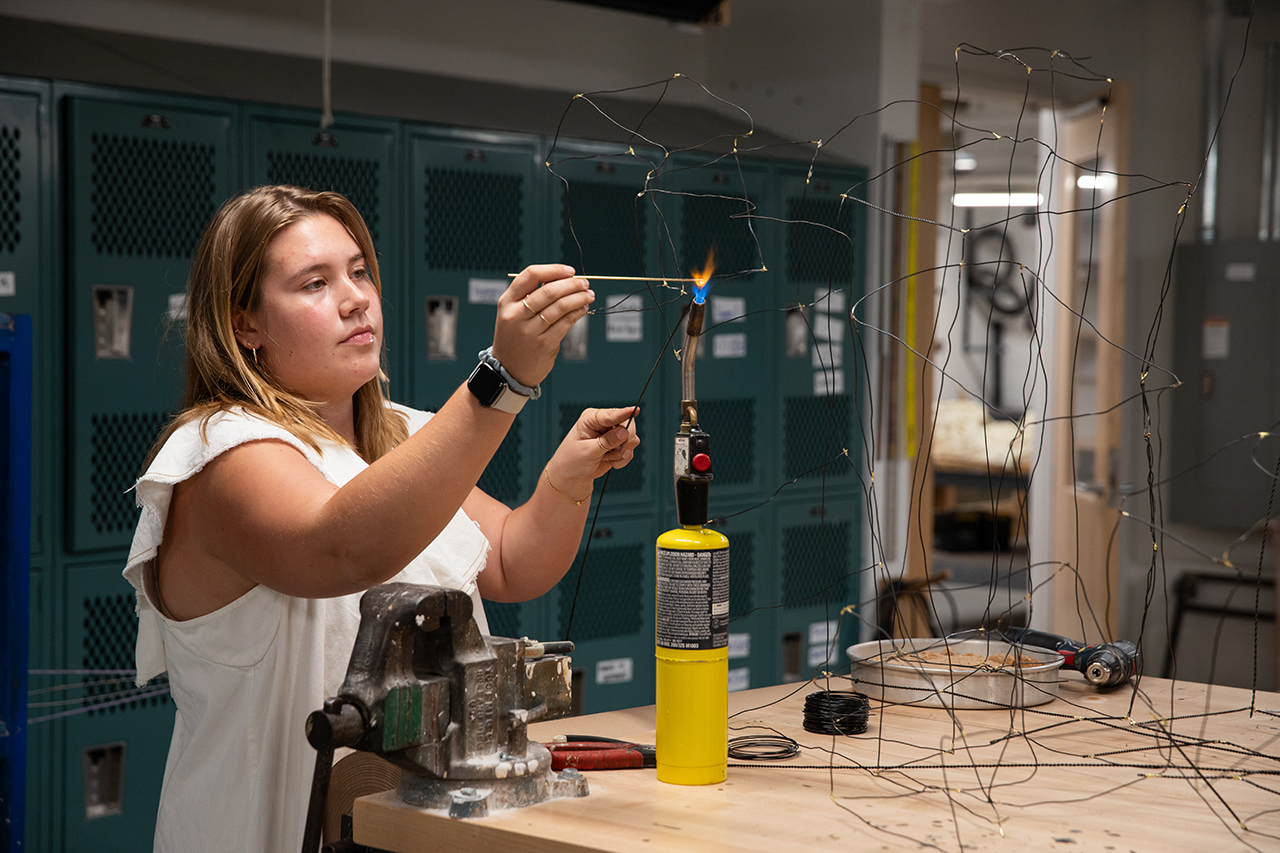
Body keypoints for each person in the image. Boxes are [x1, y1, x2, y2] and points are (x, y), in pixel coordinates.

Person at [122, 185, 639, 852]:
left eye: (359, 270)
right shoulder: (219, 454)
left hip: (406, 828)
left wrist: (567, 480)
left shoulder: (398, 436)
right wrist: (501, 381)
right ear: (243, 324)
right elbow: (341, 547)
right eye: (314, 283)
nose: (355, 297)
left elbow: (511, 558)